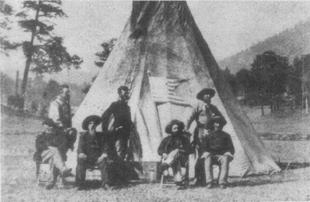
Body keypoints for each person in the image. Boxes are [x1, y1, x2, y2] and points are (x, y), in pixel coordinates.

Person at [185, 88, 227, 186]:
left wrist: (217, 128)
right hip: (200, 132)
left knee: (209, 154)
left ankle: (209, 179)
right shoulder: (197, 106)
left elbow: (223, 120)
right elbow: (189, 118)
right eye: (205, 94)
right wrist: (186, 129)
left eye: (209, 94)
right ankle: (199, 179)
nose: (207, 95)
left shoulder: (213, 108)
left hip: (211, 133)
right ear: (202, 96)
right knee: (201, 154)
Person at [101, 86, 132, 185]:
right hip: (116, 134)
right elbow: (104, 116)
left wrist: (128, 128)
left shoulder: (127, 107)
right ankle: (115, 179)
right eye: (124, 93)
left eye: (127, 93)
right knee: (117, 155)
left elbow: (128, 121)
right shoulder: (115, 105)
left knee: (121, 155)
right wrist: (106, 130)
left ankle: (119, 178)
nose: (126, 95)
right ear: (119, 94)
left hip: (124, 134)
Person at [76, 115, 113, 190]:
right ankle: (80, 184)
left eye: (94, 124)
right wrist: (82, 154)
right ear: (87, 126)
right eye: (90, 124)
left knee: (104, 161)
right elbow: (80, 148)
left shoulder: (101, 136)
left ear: (96, 125)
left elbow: (105, 147)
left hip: (98, 159)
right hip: (87, 158)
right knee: (80, 161)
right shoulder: (83, 136)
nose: (92, 126)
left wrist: (103, 155)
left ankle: (105, 184)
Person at [33, 119, 72, 190]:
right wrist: (48, 147)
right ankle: (63, 168)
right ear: (44, 126)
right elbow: (38, 147)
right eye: (47, 126)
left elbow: (62, 146)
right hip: (42, 155)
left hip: (54, 156)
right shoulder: (40, 136)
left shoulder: (57, 136)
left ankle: (50, 183)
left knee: (53, 160)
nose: (49, 128)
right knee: (54, 150)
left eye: (51, 126)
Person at [200, 117, 235, 189]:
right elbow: (203, 148)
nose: (218, 125)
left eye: (220, 123)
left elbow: (231, 148)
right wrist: (205, 152)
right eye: (216, 123)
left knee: (225, 160)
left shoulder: (226, 136)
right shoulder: (207, 136)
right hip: (211, 156)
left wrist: (227, 153)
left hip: (222, 156)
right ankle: (209, 182)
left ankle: (222, 182)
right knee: (207, 158)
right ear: (213, 124)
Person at [158, 120, 192, 189]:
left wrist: (180, 151)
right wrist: (163, 153)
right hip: (170, 159)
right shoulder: (166, 139)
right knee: (175, 161)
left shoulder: (184, 139)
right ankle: (178, 181)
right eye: (174, 128)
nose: (177, 130)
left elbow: (190, 150)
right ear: (171, 129)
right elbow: (159, 149)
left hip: (181, 157)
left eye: (178, 128)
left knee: (176, 151)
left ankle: (165, 166)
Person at [48, 84, 77, 155]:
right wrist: (64, 129)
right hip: (56, 130)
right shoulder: (55, 104)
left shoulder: (66, 104)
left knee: (73, 132)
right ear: (61, 93)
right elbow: (55, 120)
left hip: (65, 129)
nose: (69, 94)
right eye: (66, 92)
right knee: (59, 151)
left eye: (69, 92)